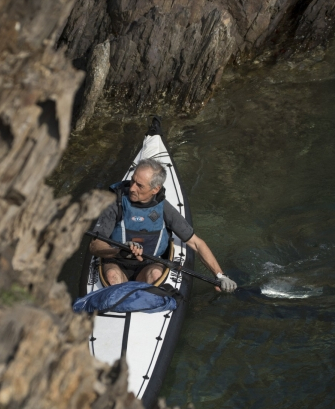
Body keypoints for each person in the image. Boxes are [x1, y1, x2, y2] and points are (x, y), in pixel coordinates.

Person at [90, 121, 237, 292]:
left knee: (154, 276)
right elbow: (94, 246)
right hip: (116, 263)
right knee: (112, 278)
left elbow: (196, 243)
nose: (131, 188)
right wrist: (119, 251)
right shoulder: (115, 203)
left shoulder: (164, 209)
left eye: (139, 185)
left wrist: (220, 275)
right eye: (132, 181)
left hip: (148, 264)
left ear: (155, 189)